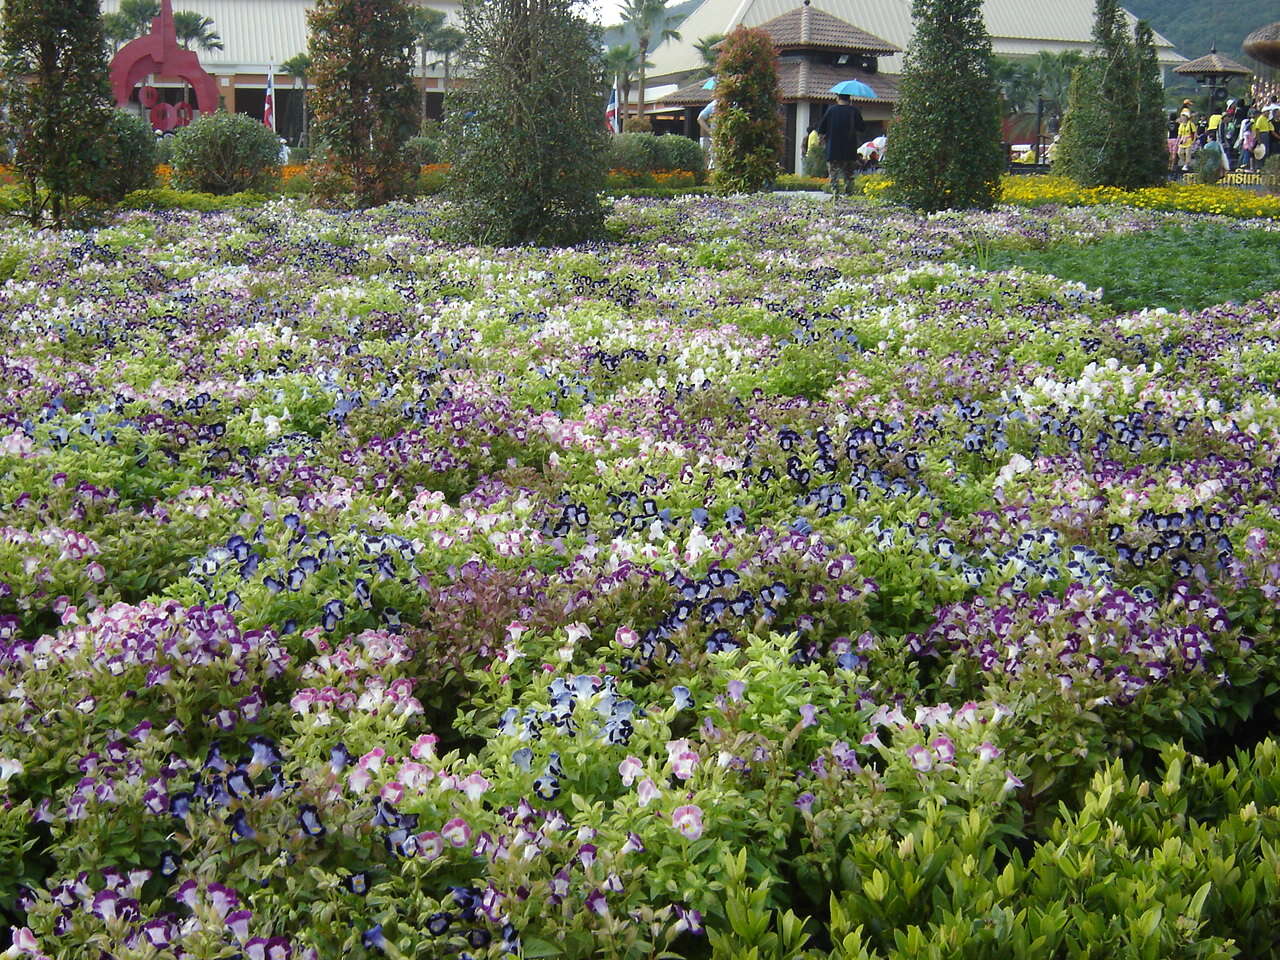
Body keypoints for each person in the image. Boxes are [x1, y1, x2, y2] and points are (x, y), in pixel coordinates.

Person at [817, 93, 863, 196]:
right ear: (849, 99)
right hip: (849, 149)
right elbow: (862, 128)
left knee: (834, 175)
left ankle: (835, 194)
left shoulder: (831, 110)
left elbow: (821, 128)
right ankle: (849, 194)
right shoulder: (854, 111)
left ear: (837, 98)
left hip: (833, 149)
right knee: (849, 175)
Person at [697, 100, 716, 169]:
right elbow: (700, 118)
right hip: (714, 138)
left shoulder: (735, 104)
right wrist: (710, 132)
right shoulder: (714, 105)